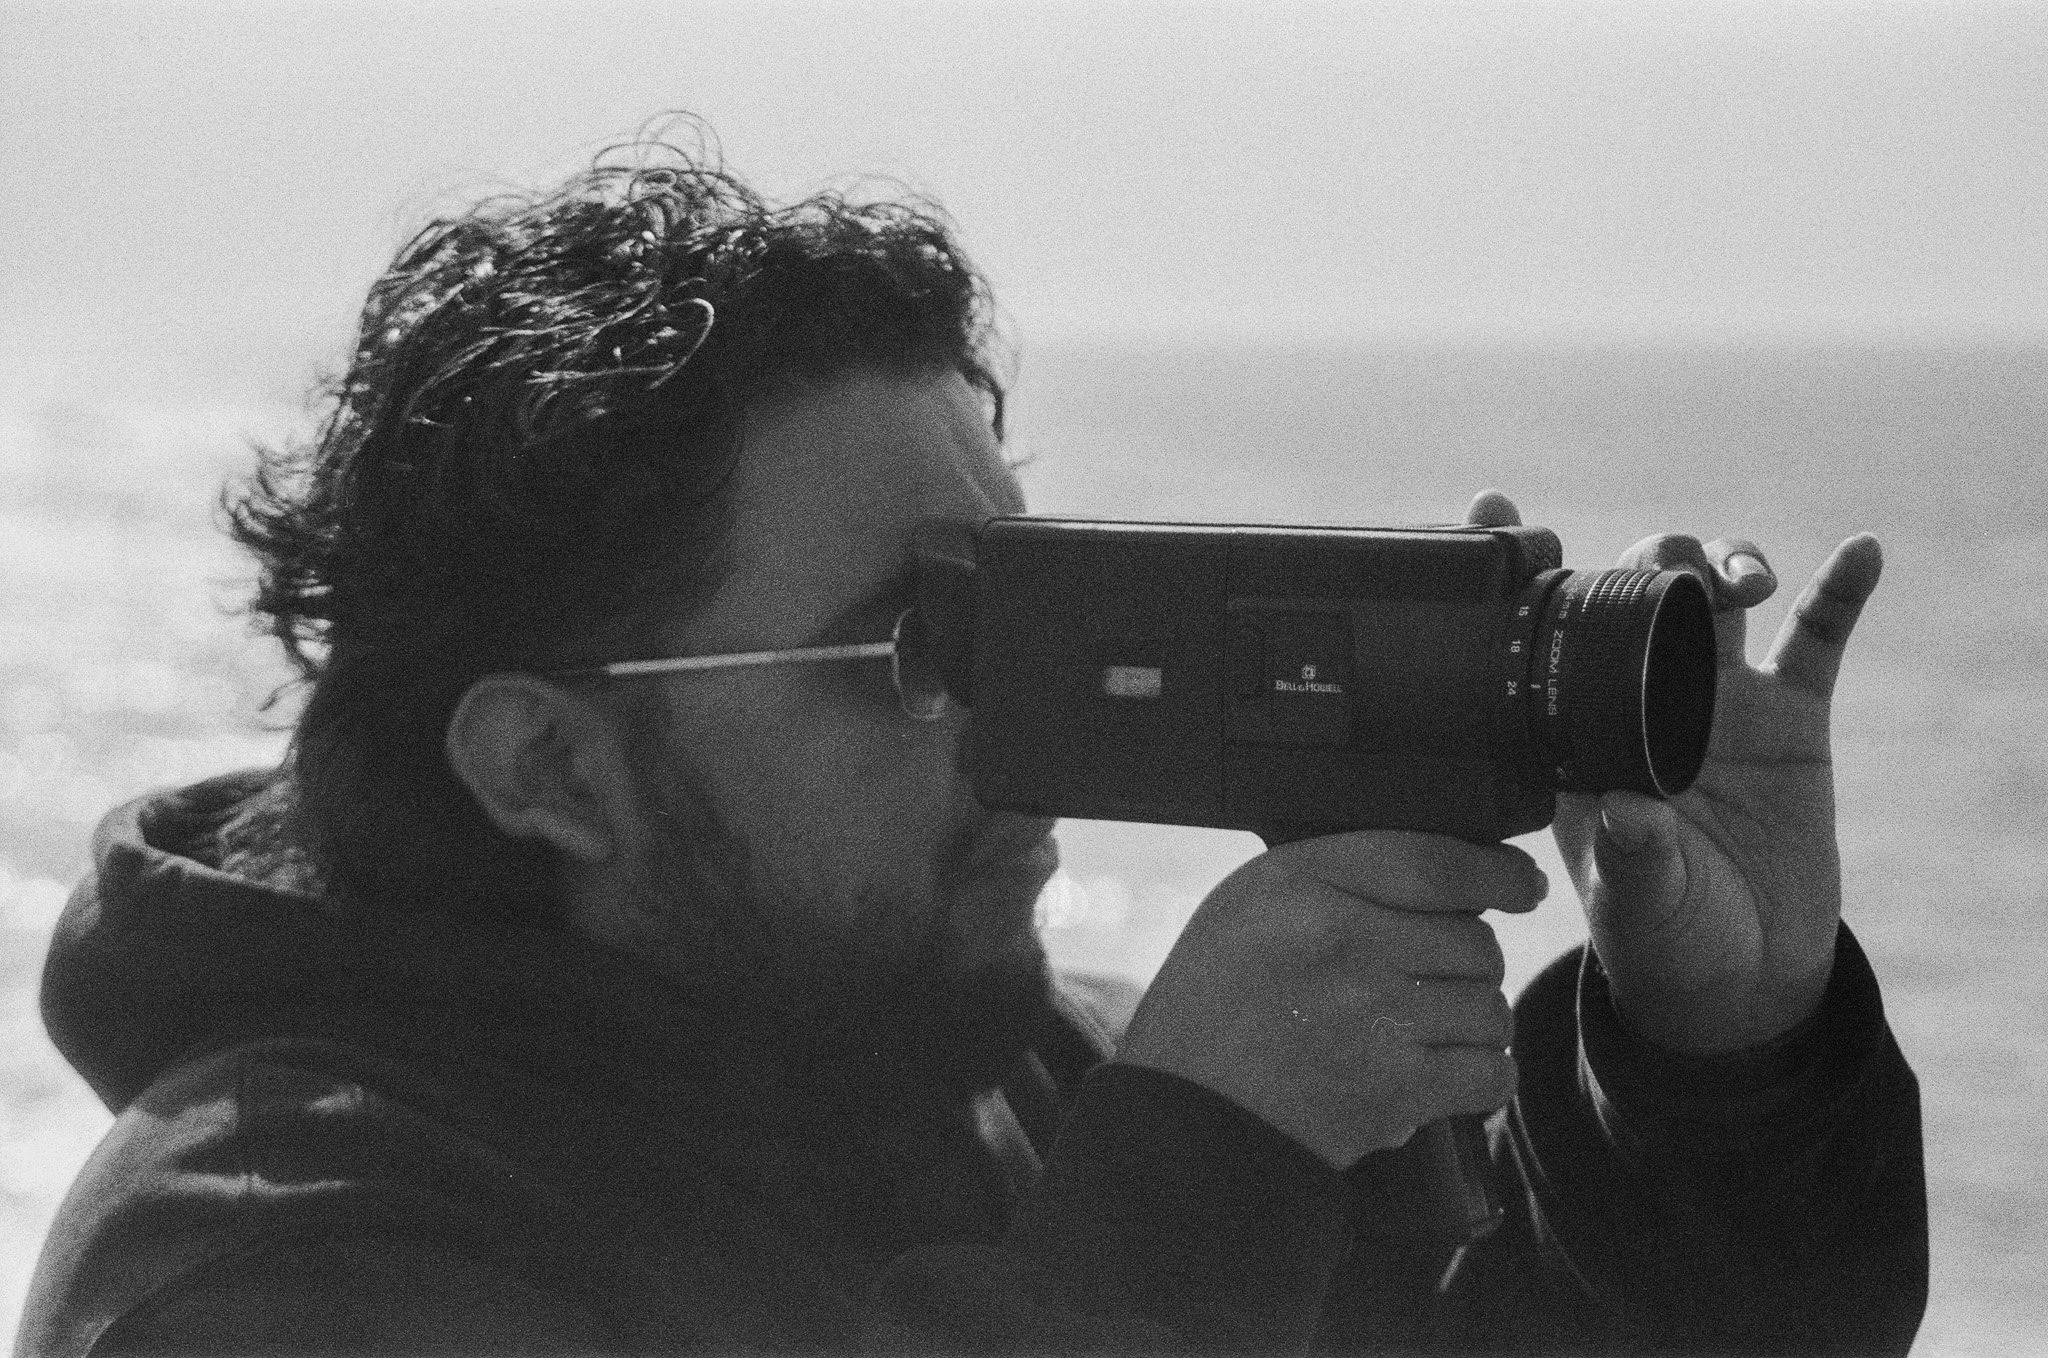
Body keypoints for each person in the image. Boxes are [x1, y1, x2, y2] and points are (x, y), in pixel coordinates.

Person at [16, 134, 1925, 1356]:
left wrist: (1718, 1063)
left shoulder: (1014, 1072)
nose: (1020, 739)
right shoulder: (266, 1259)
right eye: (916, 644)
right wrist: (1187, 1207)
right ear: (550, 768)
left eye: (1029, 619)